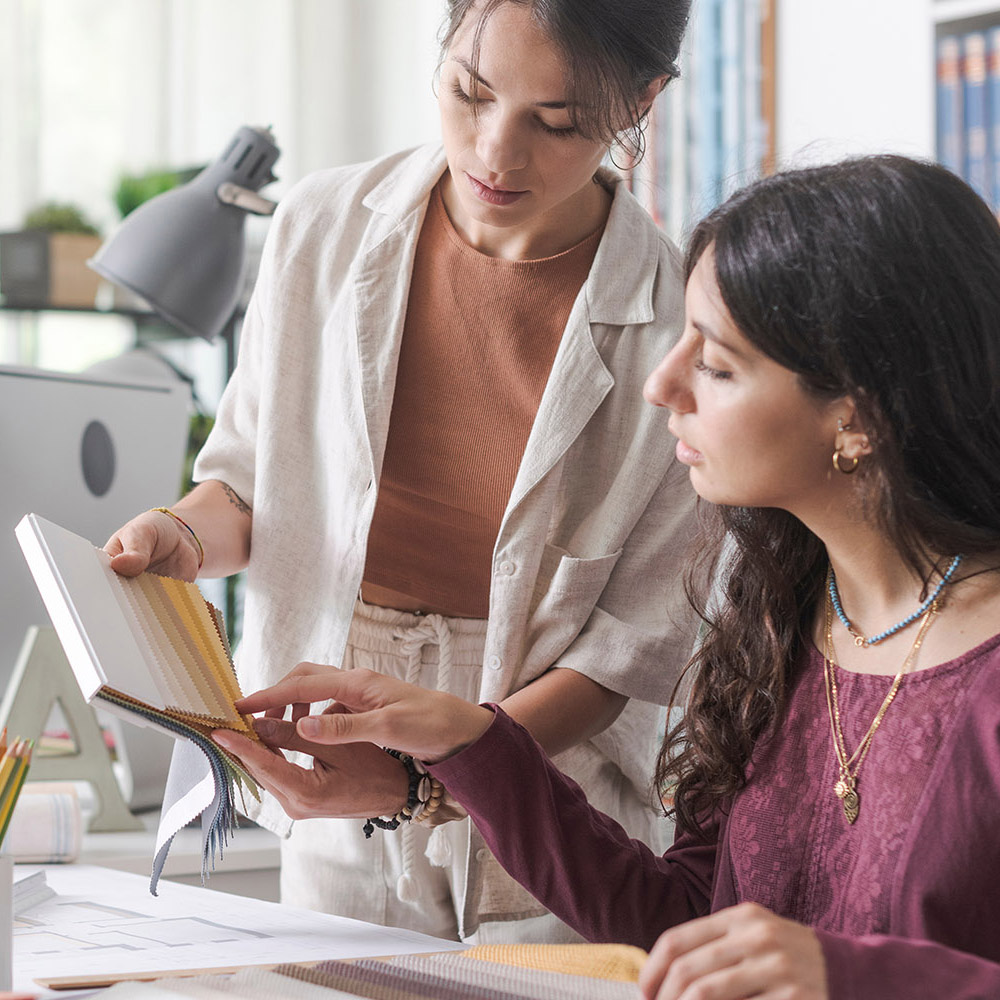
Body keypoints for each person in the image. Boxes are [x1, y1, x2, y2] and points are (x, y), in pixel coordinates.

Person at [214, 154, 1000, 1000]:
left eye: (719, 365)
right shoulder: (778, 615)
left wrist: (851, 977)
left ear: (858, 416)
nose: (663, 385)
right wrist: (471, 747)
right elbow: (680, 922)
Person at [105, 0, 699, 944]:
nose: (497, 154)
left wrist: (444, 769)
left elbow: (622, 651)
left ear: (641, 102)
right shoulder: (323, 226)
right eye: (471, 90)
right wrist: (177, 537)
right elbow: (246, 487)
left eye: (558, 124)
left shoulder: (677, 322)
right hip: (334, 707)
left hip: (546, 764)